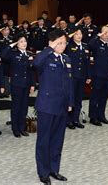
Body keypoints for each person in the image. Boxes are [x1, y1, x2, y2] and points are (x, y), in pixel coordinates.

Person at [33, 29, 74, 185]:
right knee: (44, 140)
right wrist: (50, 48)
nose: (63, 46)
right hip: (47, 105)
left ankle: (53, 169)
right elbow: (35, 63)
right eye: (60, 43)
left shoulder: (67, 59)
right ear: (52, 43)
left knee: (57, 140)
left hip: (62, 106)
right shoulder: (45, 58)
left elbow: (69, 83)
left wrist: (70, 102)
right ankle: (43, 172)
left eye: (64, 43)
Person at [1, 33, 35, 138]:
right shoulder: (13, 53)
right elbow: (3, 56)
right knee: (16, 106)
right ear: (16, 43)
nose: (24, 43)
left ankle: (22, 127)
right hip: (16, 84)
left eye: (25, 41)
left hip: (26, 84)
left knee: (24, 107)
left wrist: (33, 84)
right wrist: (11, 45)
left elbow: (31, 71)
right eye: (21, 41)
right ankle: (15, 129)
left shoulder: (29, 54)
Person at [88, 26, 108, 126]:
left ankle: (101, 116)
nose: (107, 35)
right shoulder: (96, 44)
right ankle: (93, 117)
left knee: (104, 97)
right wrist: (97, 36)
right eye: (105, 33)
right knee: (95, 96)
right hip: (98, 75)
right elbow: (89, 45)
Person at [65, 28, 90, 129]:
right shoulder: (68, 45)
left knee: (79, 99)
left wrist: (88, 76)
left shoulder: (85, 46)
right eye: (76, 34)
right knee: (71, 98)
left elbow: (87, 63)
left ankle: (76, 119)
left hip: (82, 76)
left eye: (80, 34)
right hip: (72, 76)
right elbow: (64, 40)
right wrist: (70, 35)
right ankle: (68, 120)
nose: (79, 36)